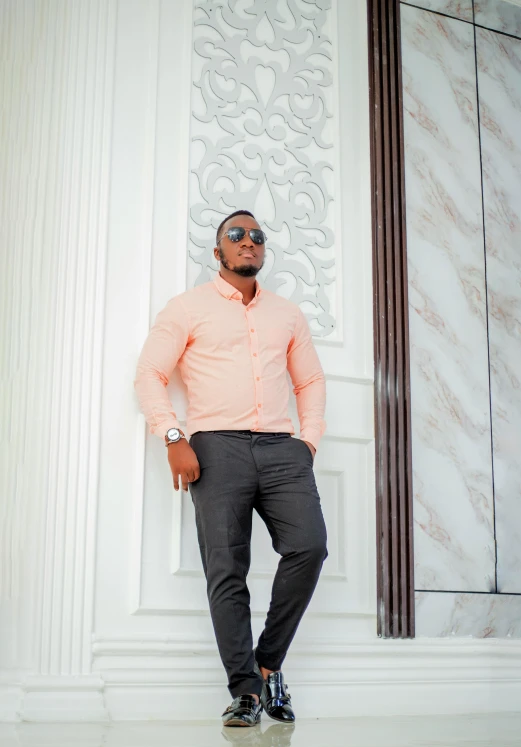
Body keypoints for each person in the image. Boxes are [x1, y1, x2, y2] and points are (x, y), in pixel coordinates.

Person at [133, 209, 328, 727]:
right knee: (227, 570)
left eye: (257, 236)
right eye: (236, 235)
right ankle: (245, 691)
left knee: (309, 547)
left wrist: (306, 443)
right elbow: (150, 372)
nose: (249, 242)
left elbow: (309, 382)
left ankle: (267, 665)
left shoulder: (287, 314)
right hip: (215, 448)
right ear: (218, 251)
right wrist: (173, 435)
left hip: (282, 449)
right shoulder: (187, 308)